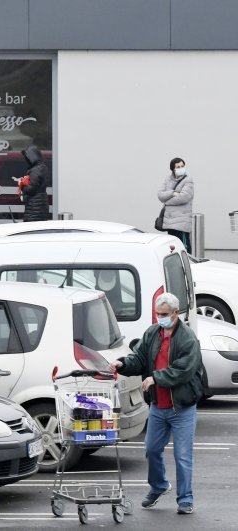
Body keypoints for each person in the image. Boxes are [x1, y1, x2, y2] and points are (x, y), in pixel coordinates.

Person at [108, 292, 203, 515]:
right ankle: (159, 486)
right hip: (159, 406)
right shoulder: (152, 333)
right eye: (157, 314)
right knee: (151, 450)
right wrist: (122, 364)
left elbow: (184, 370)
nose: (160, 318)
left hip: (182, 407)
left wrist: (156, 378)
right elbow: (140, 358)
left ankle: (186, 499)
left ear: (175, 314)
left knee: (182, 455)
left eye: (164, 314)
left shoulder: (188, 338)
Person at [158, 157, 194, 254]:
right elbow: (160, 195)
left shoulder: (188, 180)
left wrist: (167, 202)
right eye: (178, 167)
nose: (181, 168)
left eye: (182, 166)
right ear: (173, 169)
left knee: (184, 247)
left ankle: (189, 266)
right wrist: (173, 193)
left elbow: (184, 197)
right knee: (172, 249)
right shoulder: (167, 180)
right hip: (170, 222)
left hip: (181, 221)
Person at [18, 144, 50, 222]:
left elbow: (31, 189)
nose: (27, 160)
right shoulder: (42, 167)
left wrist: (21, 184)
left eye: (28, 157)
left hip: (35, 206)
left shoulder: (36, 170)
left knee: (30, 229)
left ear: (32, 157)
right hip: (40, 204)